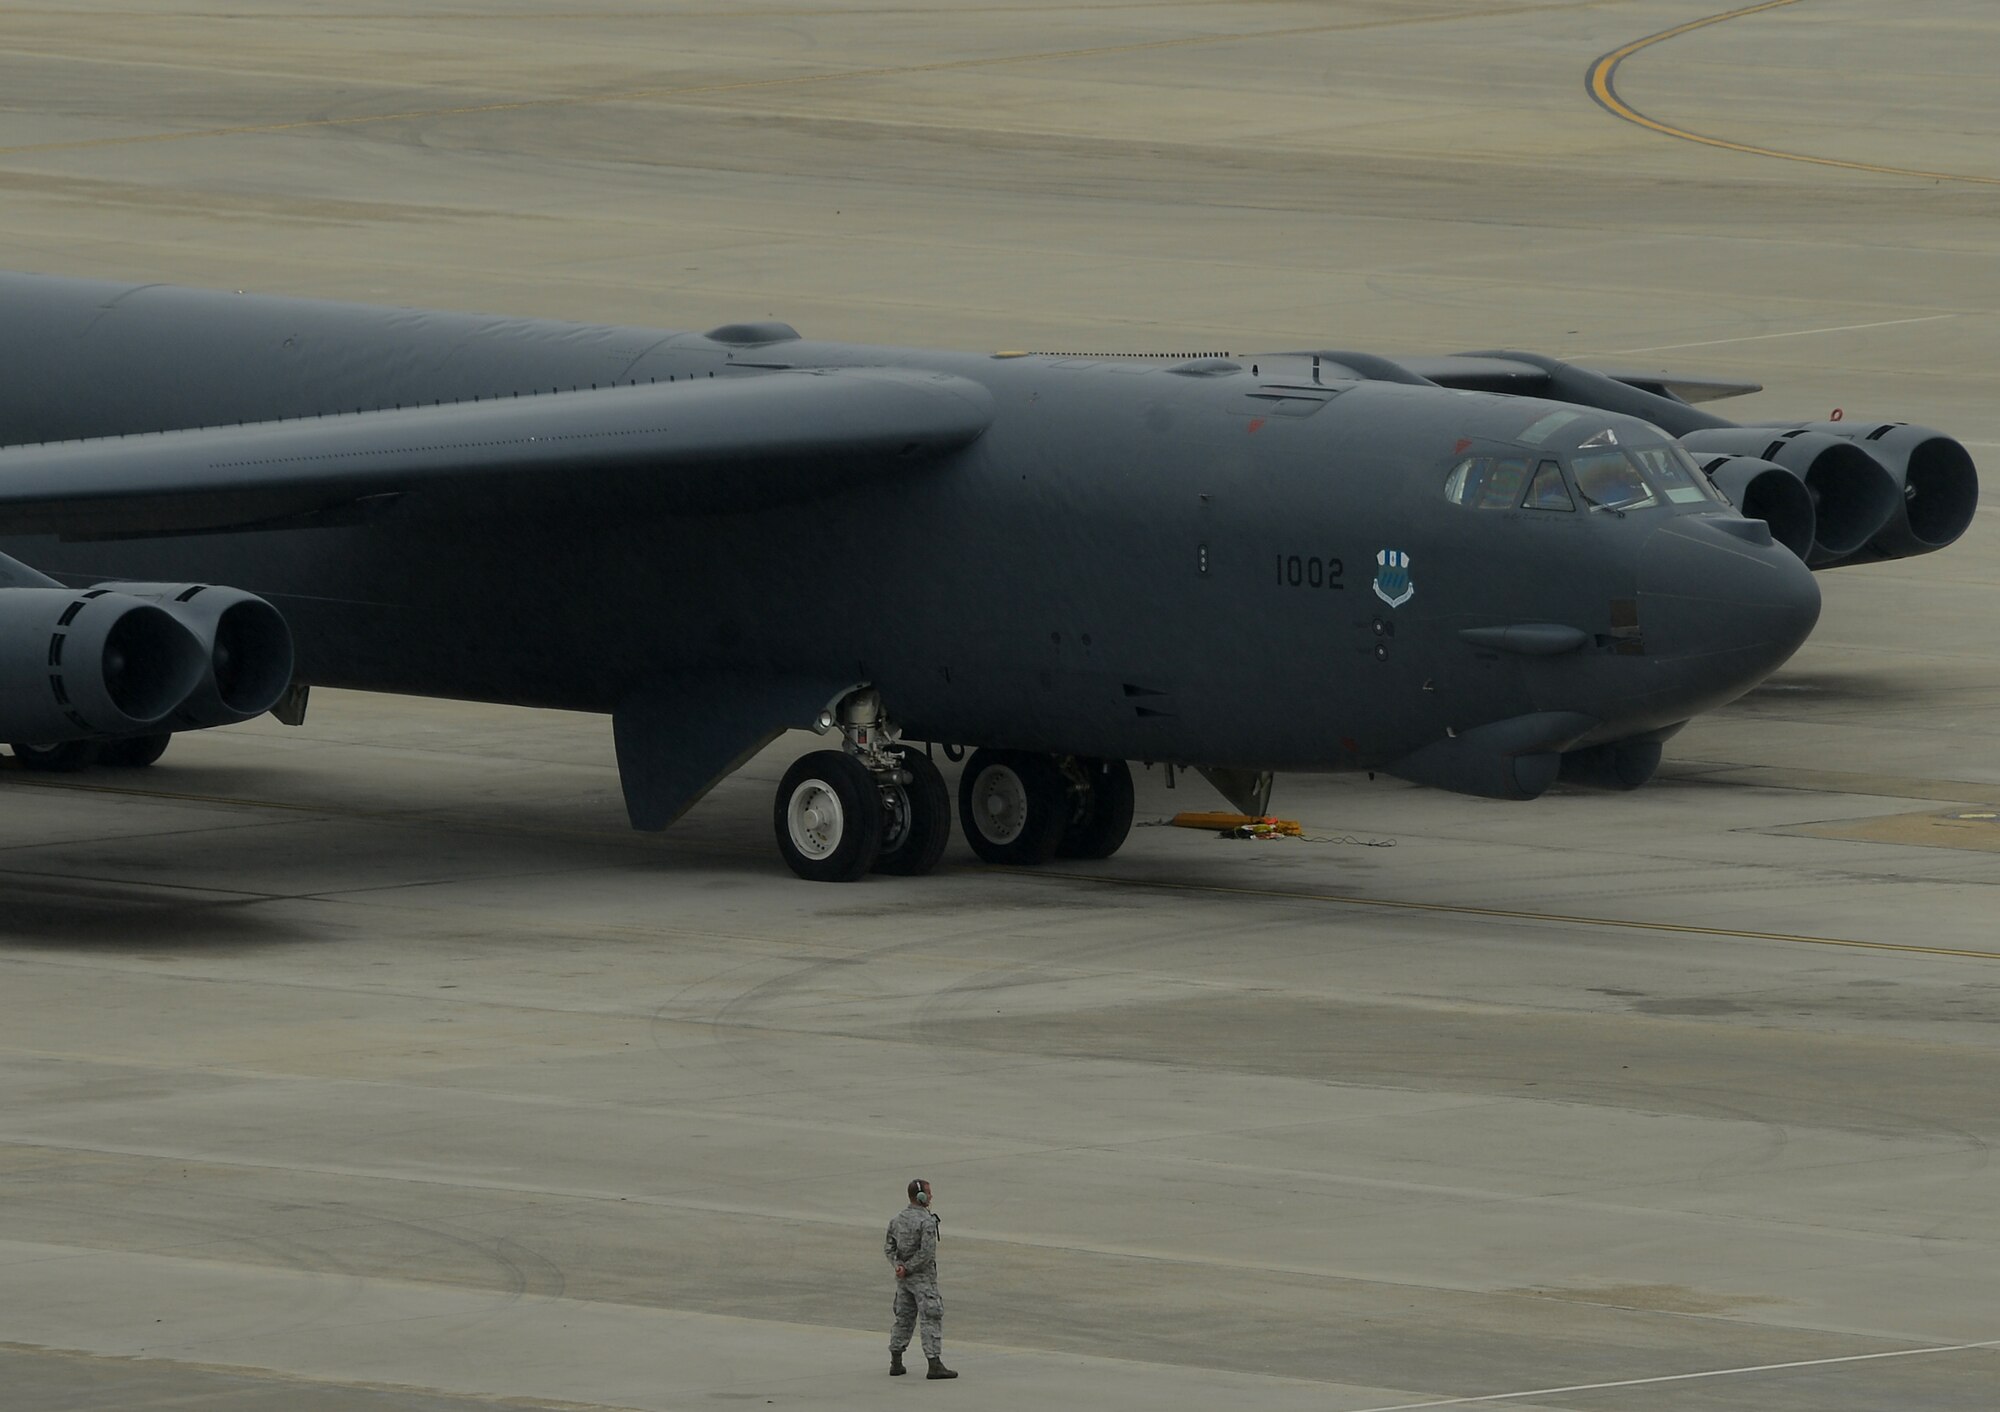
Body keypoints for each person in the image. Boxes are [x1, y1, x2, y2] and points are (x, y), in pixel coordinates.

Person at [884, 1178, 957, 1379]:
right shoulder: (926, 1221)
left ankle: (896, 1362)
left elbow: (889, 1247)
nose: (931, 1196)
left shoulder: (896, 1219)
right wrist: (907, 1268)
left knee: (903, 1318)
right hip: (922, 1280)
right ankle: (934, 1363)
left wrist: (898, 1266)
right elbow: (926, 1254)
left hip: (903, 1281)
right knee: (931, 1317)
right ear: (921, 1197)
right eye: (929, 1193)